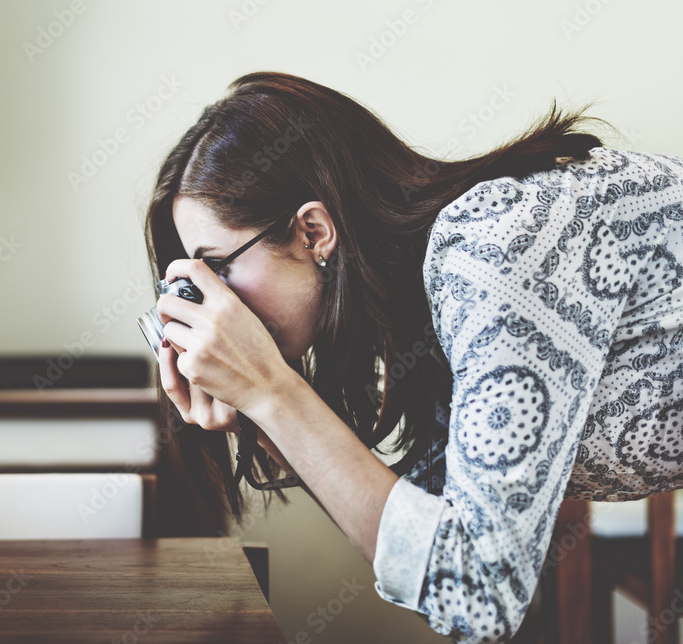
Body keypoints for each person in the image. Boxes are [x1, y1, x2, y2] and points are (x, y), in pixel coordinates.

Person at [143, 71, 683, 643]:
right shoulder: (423, 315)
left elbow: (479, 593)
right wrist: (262, 406)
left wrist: (271, 392)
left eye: (218, 267)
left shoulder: (492, 254)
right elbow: (427, 546)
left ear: (313, 231)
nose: (213, 303)